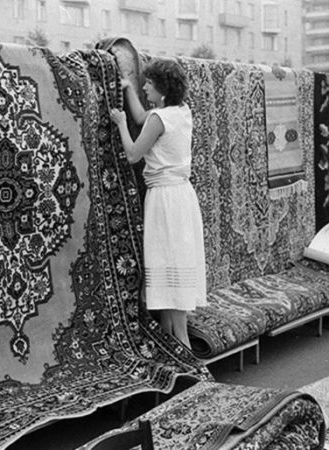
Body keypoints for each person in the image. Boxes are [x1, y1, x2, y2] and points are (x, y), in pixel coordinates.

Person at [109, 59, 207, 348]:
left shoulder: (159, 119)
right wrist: (128, 89)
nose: (144, 88)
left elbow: (133, 154)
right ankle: (171, 335)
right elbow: (145, 118)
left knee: (168, 262)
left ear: (162, 90)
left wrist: (121, 123)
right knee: (176, 263)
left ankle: (182, 342)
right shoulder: (182, 112)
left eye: (149, 84)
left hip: (164, 199)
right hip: (182, 195)